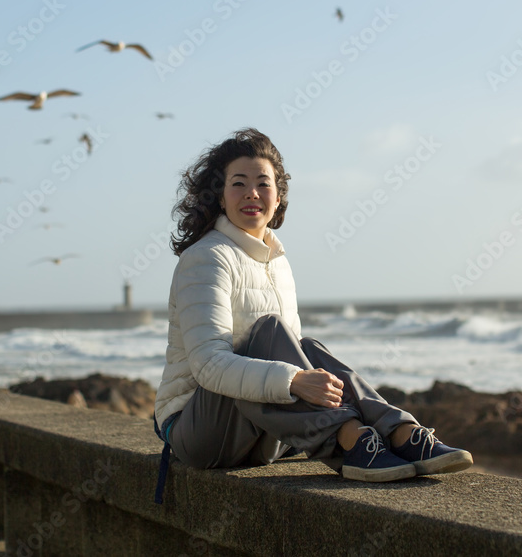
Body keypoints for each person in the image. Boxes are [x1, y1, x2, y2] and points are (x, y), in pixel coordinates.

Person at [152, 128, 471, 497]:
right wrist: (292, 381)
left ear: (278, 196)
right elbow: (209, 365)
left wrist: (300, 378)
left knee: (309, 346)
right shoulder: (206, 258)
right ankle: (353, 442)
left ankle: (401, 433)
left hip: (263, 433)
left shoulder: (278, 262)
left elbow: (293, 355)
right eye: (238, 183)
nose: (252, 193)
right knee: (270, 332)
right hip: (200, 432)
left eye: (263, 184)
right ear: (220, 197)